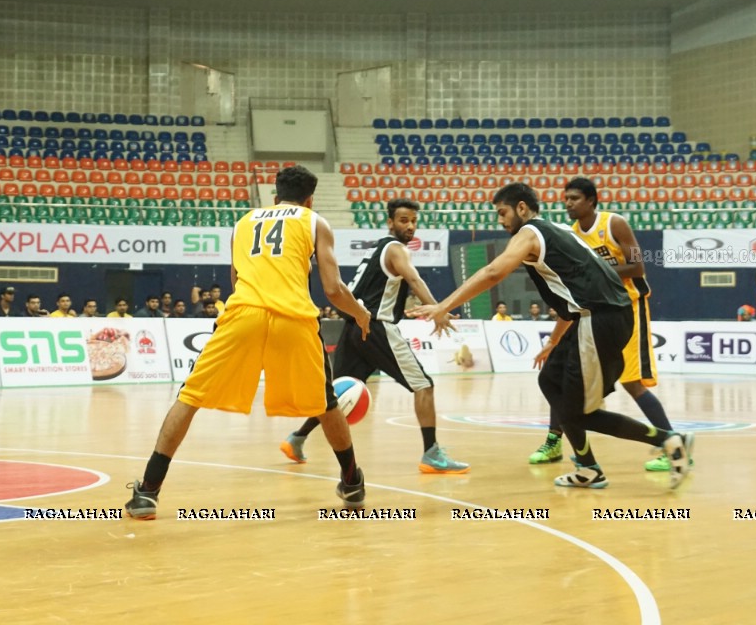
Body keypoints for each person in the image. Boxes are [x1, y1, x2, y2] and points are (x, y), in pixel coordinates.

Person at [125, 165, 373, 519]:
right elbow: (333, 289)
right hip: (294, 318)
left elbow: (236, 278)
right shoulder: (314, 221)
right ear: (310, 200)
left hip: (244, 314)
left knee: (190, 397)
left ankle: (148, 491)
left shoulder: (243, 223)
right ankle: (352, 483)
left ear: (274, 197)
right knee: (325, 403)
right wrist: (360, 314)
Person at [410, 182, 692, 490]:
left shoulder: (530, 233)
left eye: (503, 213)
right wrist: (554, 342)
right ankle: (587, 468)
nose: (501, 221)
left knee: (582, 411)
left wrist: (442, 306)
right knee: (550, 381)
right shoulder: (558, 231)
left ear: (521, 208)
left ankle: (669, 440)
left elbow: (493, 272)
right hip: (589, 318)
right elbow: (570, 297)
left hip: (601, 319)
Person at [282, 198, 469, 474]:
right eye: (404, 220)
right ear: (390, 222)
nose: (410, 226)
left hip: (354, 328)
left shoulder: (376, 250)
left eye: (414, 221)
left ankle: (296, 438)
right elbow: (415, 279)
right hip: (377, 326)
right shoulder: (396, 250)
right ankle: (431, 454)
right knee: (424, 386)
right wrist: (439, 309)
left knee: (334, 395)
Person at [526, 177, 686, 475]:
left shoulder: (615, 224)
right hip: (592, 312)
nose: (568, 203)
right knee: (561, 374)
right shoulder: (571, 235)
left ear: (591, 201)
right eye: (566, 198)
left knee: (631, 382)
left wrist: (595, 270)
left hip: (629, 307)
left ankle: (672, 441)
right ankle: (553, 441)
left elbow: (638, 266)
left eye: (574, 198)